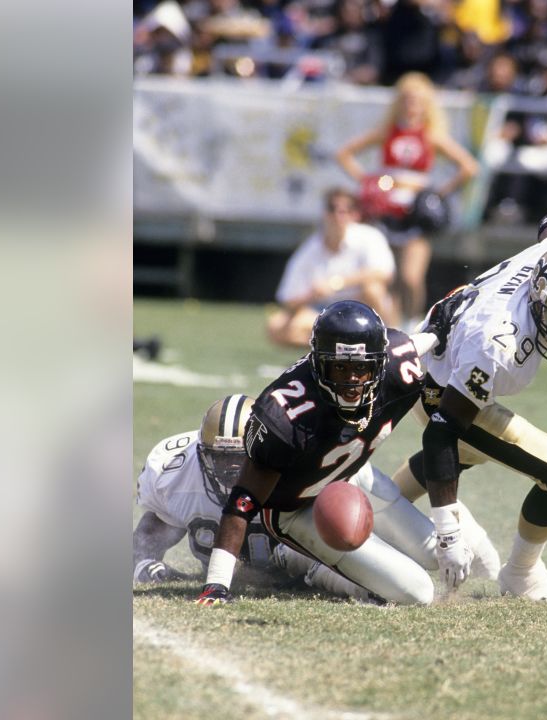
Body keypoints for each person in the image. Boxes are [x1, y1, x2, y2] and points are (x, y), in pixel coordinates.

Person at [390, 213, 547, 602]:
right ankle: (522, 574)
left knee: (467, 450)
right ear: (539, 298)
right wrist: (447, 530)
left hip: (446, 363)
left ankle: (385, 505)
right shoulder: (496, 343)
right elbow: (441, 431)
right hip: (440, 387)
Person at [195, 301, 500, 606]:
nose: (351, 380)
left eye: (361, 367)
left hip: (353, 476)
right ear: (318, 363)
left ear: (379, 363)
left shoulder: (399, 370)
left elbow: (415, 344)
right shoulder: (284, 417)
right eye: (339, 367)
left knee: (437, 552)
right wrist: (216, 585)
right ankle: (306, 564)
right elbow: (242, 502)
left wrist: (439, 328)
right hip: (297, 509)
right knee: (417, 592)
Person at [134, 394, 374, 600]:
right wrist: (143, 561)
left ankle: (364, 590)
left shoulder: (291, 463)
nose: (229, 468)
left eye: (238, 457)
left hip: (300, 562)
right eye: (220, 457)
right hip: (225, 573)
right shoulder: (177, 471)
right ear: (203, 453)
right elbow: (157, 526)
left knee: (307, 562)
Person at [336, 72, 478, 325]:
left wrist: (437, 193)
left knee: (411, 277)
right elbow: (345, 154)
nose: (411, 105)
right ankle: (390, 329)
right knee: (387, 274)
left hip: (416, 213)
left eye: (417, 100)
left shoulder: (431, 135)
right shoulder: (387, 132)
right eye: (407, 99)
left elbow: (468, 166)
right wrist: (368, 182)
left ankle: (414, 323)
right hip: (386, 211)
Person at [266, 188, 397, 347]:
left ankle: (382, 343)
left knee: (373, 290)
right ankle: (332, 348)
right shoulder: (310, 248)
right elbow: (288, 299)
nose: (338, 215)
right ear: (324, 213)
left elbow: (384, 273)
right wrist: (312, 295)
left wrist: (338, 282)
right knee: (276, 325)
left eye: (346, 210)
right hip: (326, 313)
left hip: (362, 309)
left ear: (355, 215)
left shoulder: (369, 237)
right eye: (332, 209)